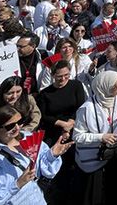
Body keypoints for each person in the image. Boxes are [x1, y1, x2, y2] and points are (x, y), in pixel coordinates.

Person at [0, 105, 73, 205]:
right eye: (10, 126)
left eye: (20, 122)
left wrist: (52, 155)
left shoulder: (27, 137)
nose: (17, 127)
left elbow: (45, 171)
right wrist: (17, 184)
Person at [73, 71, 117, 204]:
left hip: (116, 151)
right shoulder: (87, 109)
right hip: (95, 158)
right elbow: (77, 136)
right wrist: (101, 137)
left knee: (116, 190)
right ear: (105, 87)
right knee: (95, 194)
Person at [36, 60, 86, 200]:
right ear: (53, 75)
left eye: (66, 75)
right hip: (54, 130)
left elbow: (79, 106)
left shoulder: (76, 85)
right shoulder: (45, 94)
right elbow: (43, 116)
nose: (63, 79)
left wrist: (69, 124)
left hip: (74, 127)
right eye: (59, 76)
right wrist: (62, 125)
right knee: (61, 168)